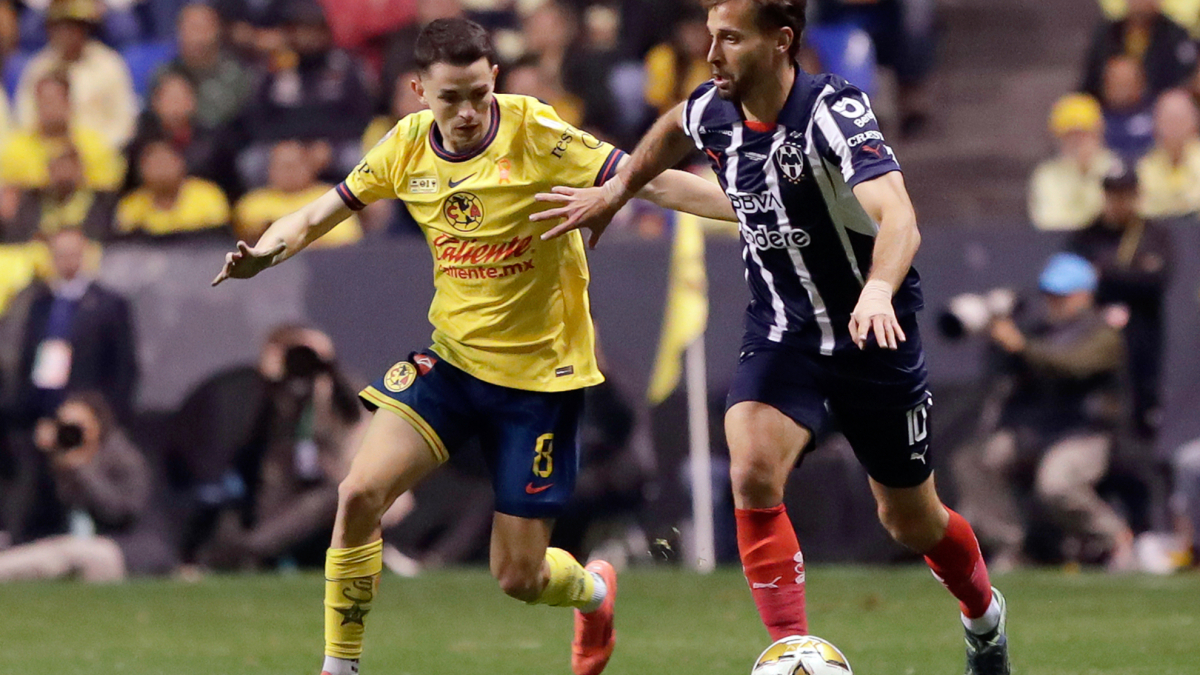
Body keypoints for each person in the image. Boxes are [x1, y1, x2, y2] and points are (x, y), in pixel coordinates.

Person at [211, 17, 736, 675]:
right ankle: (339, 666)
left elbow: (647, 178)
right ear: (417, 90)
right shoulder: (404, 146)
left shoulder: (536, 132)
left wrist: (749, 207)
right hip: (453, 363)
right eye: (447, 98)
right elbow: (322, 211)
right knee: (358, 494)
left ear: (495, 78)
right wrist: (265, 252)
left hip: (539, 382)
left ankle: (596, 590)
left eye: (476, 95)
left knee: (517, 575)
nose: (464, 113)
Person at [531, 1, 1010, 673]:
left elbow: (897, 215)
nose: (710, 52)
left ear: (781, 41)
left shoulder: (831, 113)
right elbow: (674, 126)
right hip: (783, 332)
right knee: (752, 463)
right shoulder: (713, 111)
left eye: (729, 38)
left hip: (873, 336)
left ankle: (984, 617)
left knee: (912, 520)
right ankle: (791, 650)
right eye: (709, 35)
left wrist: (876, 288)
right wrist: (619, 189)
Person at [958, 253, 1133, 570]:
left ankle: (1116, 538)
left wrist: (1021, 347)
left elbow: (1071, 365)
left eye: (1062, 296)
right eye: (1050, 296)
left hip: (1085, 434)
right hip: (1038, 432)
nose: (1055, 304)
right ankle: (1012, 545)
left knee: (1057, 484)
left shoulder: (1102, 334)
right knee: (976, 460)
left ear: (1084, 295)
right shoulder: (1037, 330)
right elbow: (1008, 374)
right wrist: (1000, 342)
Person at [0, 392, 168, 581]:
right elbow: (26, 519)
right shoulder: (53, 463)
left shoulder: (122, 458)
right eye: (63, 427)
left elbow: (120, 513)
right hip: (63, 546)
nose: (70, 435)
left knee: (72, 553)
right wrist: (43, 462)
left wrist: (81, 470)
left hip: (121, 548)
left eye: (76, 428)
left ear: (97, 426)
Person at [1068, 162, 1172, 439]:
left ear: (1137, 195)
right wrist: (1128, 274)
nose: (1118, 201)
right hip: (1093, 335)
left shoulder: (1154, 234)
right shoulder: (1086, 235)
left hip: (1140, 339)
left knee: (1140, 410)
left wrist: (1105, 273)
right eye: (1113, 194)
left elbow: (1155, 280)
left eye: (1125, 193)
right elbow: (1072, 283)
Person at [7, 228, 137, 427]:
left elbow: (123, 364)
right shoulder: (39, 302)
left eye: (72, 253)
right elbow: (27, 355)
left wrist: (109, 414)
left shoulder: (108, 304)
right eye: (60, 254)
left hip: (88, 411)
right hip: (42, 407)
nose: (66, 260)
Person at [13, 0, 137, 148]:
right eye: (59, 26)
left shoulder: (109, 64)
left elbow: (124, 121)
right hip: (47, 159)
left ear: (86, 28)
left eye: (73, 26)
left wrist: (94, 152)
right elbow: (25, 120)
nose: (66, 33)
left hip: (102, 156)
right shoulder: (38, 67)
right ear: (50, 29)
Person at [0, 71, 125, 193]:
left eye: (54, 100)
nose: (48, 108)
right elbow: (8, 198)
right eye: (44, 101)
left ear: (69, 103)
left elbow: (107, 192)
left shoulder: (94, 146)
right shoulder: (16, 149)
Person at [234, 140, 363, 248]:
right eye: (282, 167)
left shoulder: (331, 196)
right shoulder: (253, 202)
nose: (289, 173)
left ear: (309, 168)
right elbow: (242, 240)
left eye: (293, 166)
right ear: (270, 170)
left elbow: (347, 239)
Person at [1028, 93, 1119, 231]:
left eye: (1084, 133)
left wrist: (1087, 171)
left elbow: (1115, 218)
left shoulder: (1115, 168)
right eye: (1070, 135)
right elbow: (1048, 221)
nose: (1078, 142)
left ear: (1098, 133)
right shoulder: (1046, 175)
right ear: (1058, 138)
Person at [156, 3, 253, 130]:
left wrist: (188, 111)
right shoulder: (165, 72)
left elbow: (231, 117)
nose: (196, 36)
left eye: (202, 28)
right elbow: (151, 121)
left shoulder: (234, 72)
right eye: (190, 27)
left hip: (226, 141)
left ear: (217, 31)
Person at [1081, 0, 1197, 101]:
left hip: (1159, 109)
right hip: (1110, 112)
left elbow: (1186, 78)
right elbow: (1090, 80)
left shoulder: (1175, 35)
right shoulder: (1108, 33)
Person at [114, 140, 230, 239]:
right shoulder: (131, 207)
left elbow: (219, 241)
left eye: (165, 162)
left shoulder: (208, 195)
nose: (161, 170)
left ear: (180, 163)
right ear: (141, 171)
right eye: (154, 164)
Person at [3, 142, 117, 242]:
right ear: (49, 171)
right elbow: (23, 238)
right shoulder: (32, 202)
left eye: (69, 167)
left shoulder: (102, 202)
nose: (63, 174)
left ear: (80, 170)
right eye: (58, 167)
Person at [1136, 88, 1200, 218]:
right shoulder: (1143, 167)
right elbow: (1143, 207)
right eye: (1168, 120)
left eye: (1179, 120)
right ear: (1155, 125)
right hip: (1158, 233)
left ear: (1195, 123)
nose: (1174, 127)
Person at [1101, 56, 1155, 160]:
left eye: (1126, 82)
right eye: (1116, 82)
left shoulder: (1155, 115)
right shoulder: (1096, 119)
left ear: (1140, 83)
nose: (1121, 88)